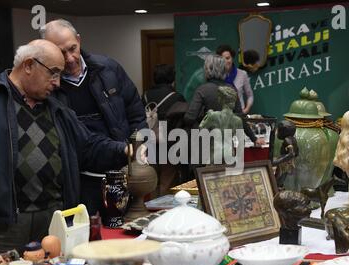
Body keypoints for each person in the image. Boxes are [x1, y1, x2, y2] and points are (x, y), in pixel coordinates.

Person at [0, 39, 130, 265]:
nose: (57, 82)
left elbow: (89, 145)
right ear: (29, 65)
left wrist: (125, 150)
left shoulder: (58, 107)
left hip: (52, 224)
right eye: (53, 73)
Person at [39, 19, 147, 218]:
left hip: (121, 171)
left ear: (79, 40)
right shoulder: (48, 87)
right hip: (80, 180)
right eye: (61, 53)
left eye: (73, 48)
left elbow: (135, 111)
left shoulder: (108, 69)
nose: (70, 58)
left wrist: (140, 145)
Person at [184, 54, 264, 146]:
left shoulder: (202, 90)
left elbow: (189, 118)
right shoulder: (232, 90)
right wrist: (254, 139)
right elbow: (240, 118)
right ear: (224, 69)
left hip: (205, 144)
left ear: (207, 69)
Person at [142, 64, 188, 195]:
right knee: (166, 183)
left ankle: (151, 211)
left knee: (150, 182)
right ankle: (163, 211)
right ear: (172, 79)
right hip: (169, 145)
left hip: (149, 143)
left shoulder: (145, 96)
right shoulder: (177, 97)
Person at [216, 45, 254, 114]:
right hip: (222, 116)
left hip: (239, 114)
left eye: (228, 58)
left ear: (232, 58)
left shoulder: (242, 74)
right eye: (222, 59)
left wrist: (246, 110)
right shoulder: (216, 75)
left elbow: (250, 95)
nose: (225, 61)